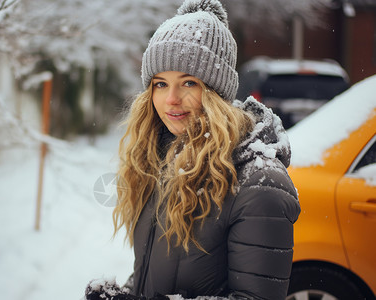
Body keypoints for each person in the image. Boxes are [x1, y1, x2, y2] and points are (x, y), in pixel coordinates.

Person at [85, 0, 300, 299]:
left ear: (216, 92)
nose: (171, 99)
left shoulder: (258, 182)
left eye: (188, 82)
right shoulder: (161, 159)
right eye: (160, 84)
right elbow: (157, 269)